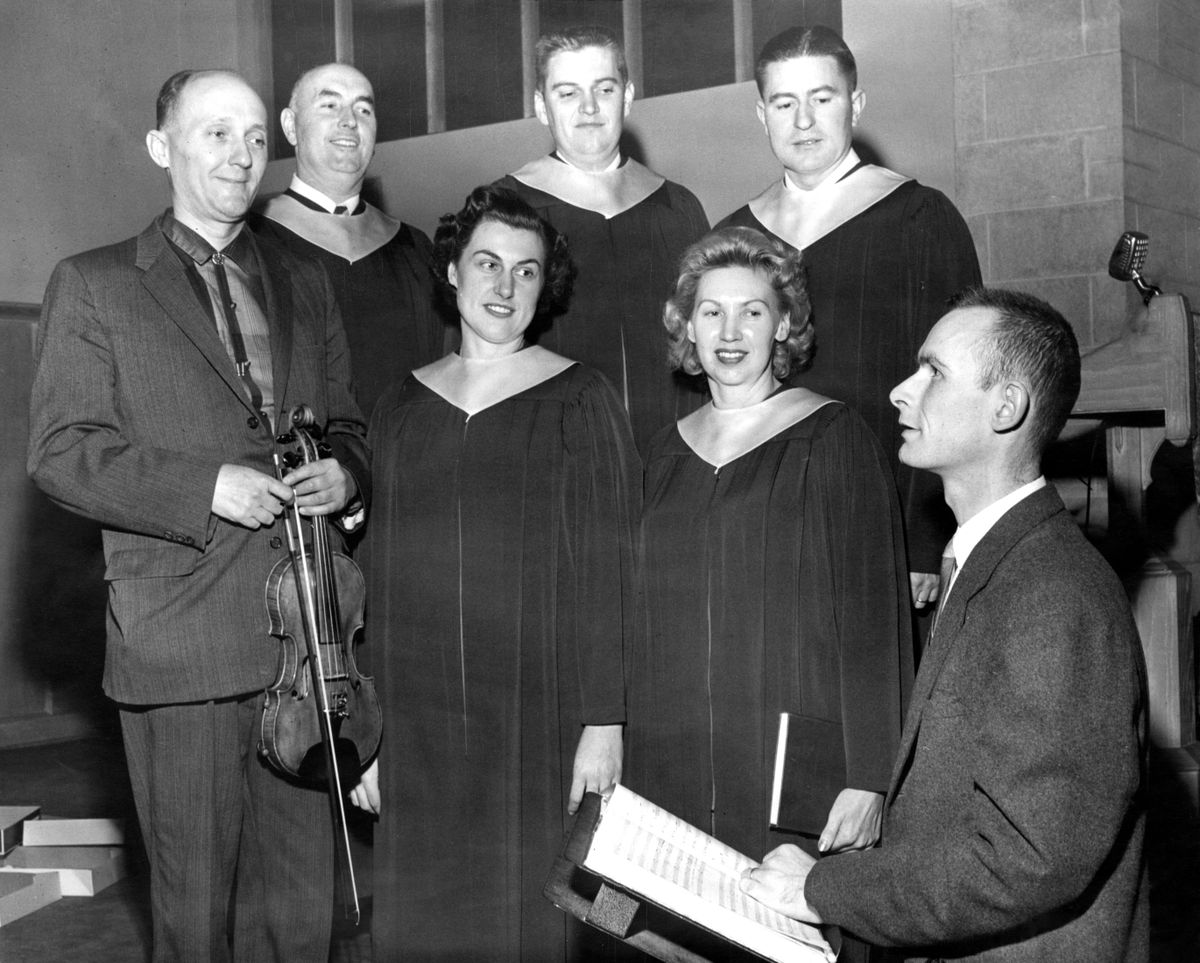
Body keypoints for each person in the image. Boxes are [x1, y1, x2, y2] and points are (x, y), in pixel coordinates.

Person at [27, 69, 369, 962]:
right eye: (215, 133)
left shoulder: (304, 279)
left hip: (307, 650)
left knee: (301, 911)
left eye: (256, 137)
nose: (241, 155)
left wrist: (348, 472)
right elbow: (61, 452)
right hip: (180, 648)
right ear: (160, 148)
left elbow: (348, 423)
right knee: (197, 919)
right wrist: (201, 486)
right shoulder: (94, 284)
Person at [741, 288, 1149, 961]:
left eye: (934, 372)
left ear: (1007, 407)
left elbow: (1028, 856)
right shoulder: (994, 562)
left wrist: (825, 889)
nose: (903, 391)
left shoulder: (1052, 594)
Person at [349, 185, 640, 960]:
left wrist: (603, 719)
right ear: (451, 270)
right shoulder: (399, 406)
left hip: (535, 714)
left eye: (526, 271)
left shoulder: (580, 397)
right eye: (486, 263)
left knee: (525, 924)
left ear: (547, 288)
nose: (504, 287)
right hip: (416, 720)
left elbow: (612, 566)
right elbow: (367, 577)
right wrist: (363, 738)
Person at [625, 227, 912, 962]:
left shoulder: (834, 436)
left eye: (752, 312)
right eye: (711, 312)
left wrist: (871, 773)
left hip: (794, 755)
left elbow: (875, 616)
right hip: (674, 753)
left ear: (783, 324)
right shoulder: (661, 452)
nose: (729, 332)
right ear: (686, 325)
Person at [718, 25, 982, 614]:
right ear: (762, 113)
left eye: (823, 98)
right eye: (785, 103)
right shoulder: (732, 238)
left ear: (856, 104)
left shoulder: (920, 218)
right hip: (760, 516)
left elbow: (957, 383)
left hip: (882, 517)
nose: (804, 121)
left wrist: (924, 536)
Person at [496, 24, 711, 454]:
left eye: (604, 89)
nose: (589, 108)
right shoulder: (504, 210)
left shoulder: (678, 208)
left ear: (627, 97)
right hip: (556, 459)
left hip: (678, 454)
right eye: (568, 93)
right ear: (542, 106)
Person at [252, 62, 444, 418]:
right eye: (329, 105)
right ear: (291, 126)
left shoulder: (413, 247)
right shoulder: (251, 241)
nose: (349, 120)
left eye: (364, 109)